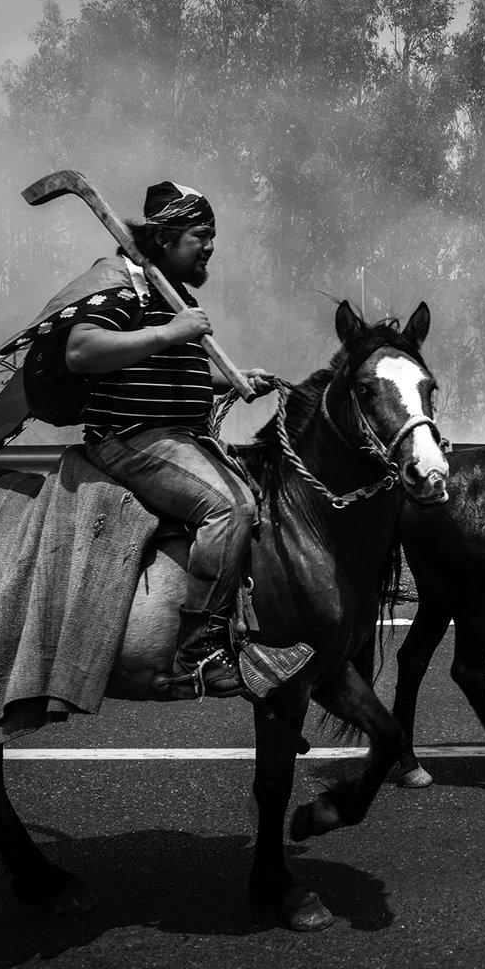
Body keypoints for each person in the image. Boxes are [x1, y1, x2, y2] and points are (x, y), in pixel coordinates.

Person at [64, 180, 309, 699]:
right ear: (166, 237)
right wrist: (172, 331)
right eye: (201, 234)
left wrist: (236, 377)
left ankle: (252, 633)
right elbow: (82, 351)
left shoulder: (171, 295)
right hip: (132, 438)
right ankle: (198, 653)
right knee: (231, 509)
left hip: (176, 435)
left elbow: (177, 367)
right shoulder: (118, 283)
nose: (211, 246)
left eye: (212, 234)